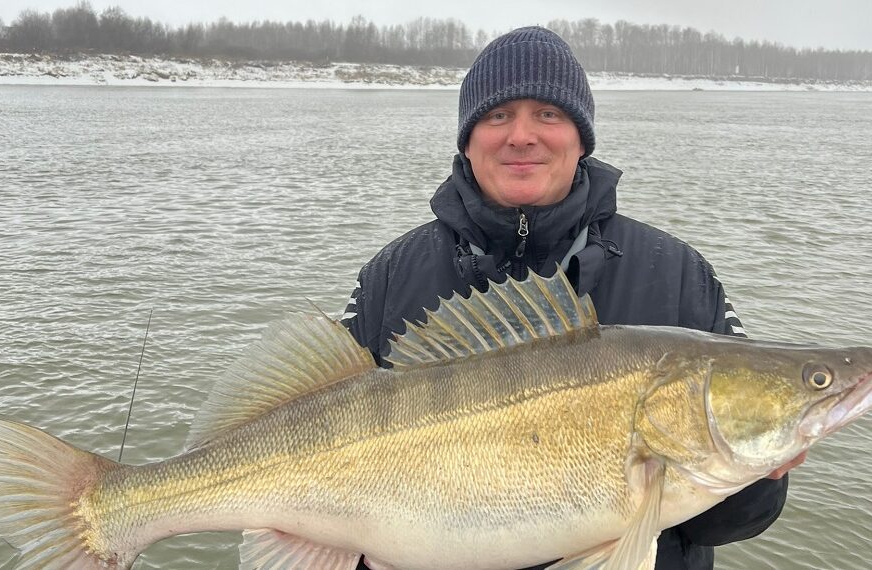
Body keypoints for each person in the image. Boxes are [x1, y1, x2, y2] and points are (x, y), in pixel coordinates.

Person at [341, 26, 796, 570]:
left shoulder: (679, 275)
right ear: (467, 137)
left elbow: (730, 523)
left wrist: (754, 476)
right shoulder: (391, 276)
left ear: (582, 138)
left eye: (549, 115)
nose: (522, 136)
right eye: (498, 115)